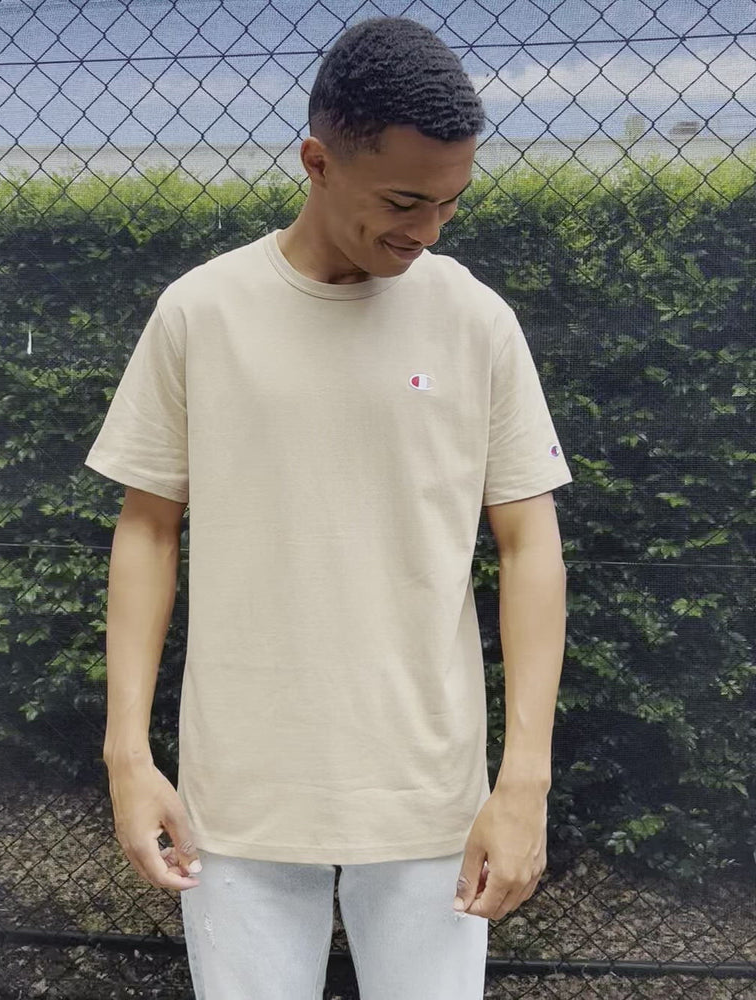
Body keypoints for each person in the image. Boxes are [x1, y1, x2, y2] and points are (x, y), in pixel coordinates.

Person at [85, 15, 572, 1000]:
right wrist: (126, 754)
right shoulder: (201, 313)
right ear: (316, 161)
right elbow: (146, 526)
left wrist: (524, 778)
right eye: (403, 201)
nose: (427, 230)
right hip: (241, 794)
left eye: (450, 203)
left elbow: (529, 544)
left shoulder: (476, 320)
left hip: (429, 796)